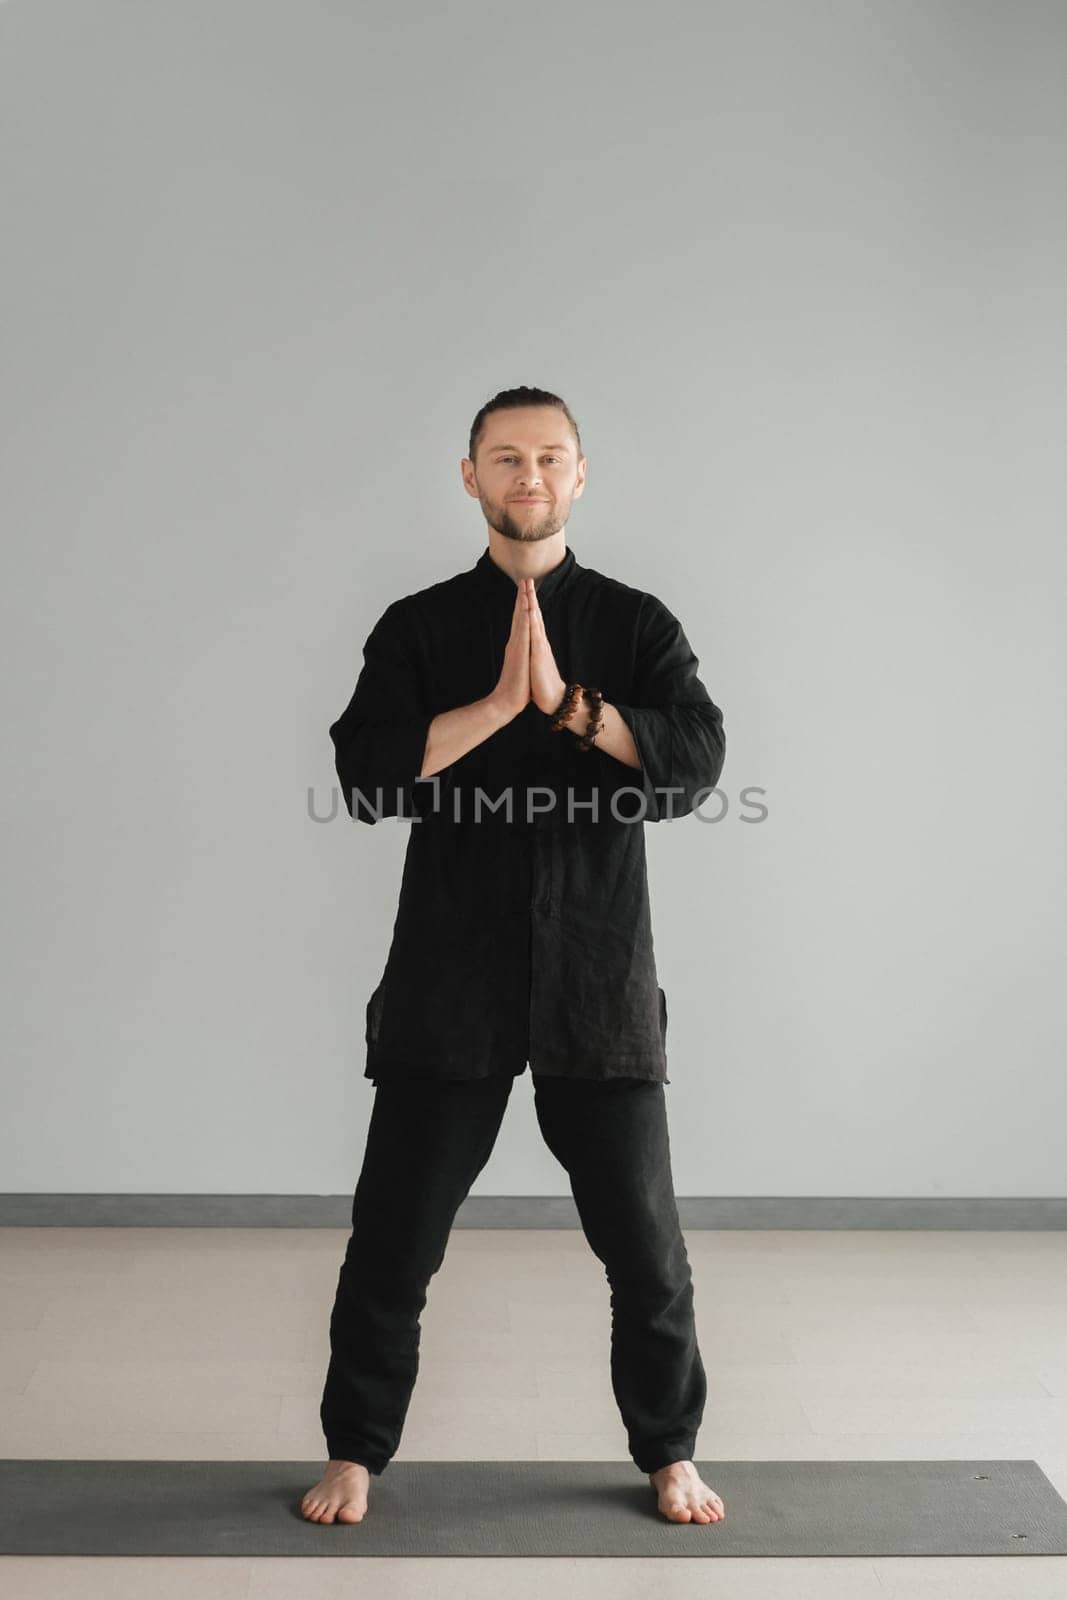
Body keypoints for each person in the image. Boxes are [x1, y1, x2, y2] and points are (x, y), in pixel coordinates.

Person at [302, 386, 727, 1528]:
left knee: (645, 1250)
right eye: (505, 458)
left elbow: (692, 762)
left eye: (548, 458)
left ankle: (668, 1452)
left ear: (579, 475)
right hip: (449, 985)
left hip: (599, 985)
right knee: (391, 1243)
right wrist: (495, 705)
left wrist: (573, 708)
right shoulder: (420, 626)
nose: (526, 477)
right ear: (469, 476)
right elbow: (368, 774)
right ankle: (355, 1450)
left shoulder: (636, 624)